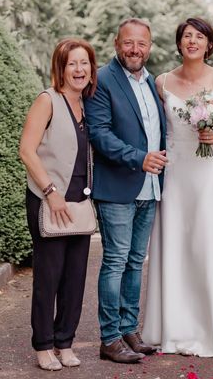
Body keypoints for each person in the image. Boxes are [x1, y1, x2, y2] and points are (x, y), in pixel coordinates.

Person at [142, 17, 213, 356]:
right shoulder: (161, 81)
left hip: (207, 175)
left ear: (209, 44)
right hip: (174, 175)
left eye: (200, 36)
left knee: (208, 245)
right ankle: (174, 327)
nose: (193, 41)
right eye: (187, 36)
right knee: (175, 246)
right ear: (179, 43)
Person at [84, 18, 167, 364]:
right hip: (118, 185)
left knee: (135, 261)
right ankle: (110, 337)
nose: (136, 50)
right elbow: (100, 134)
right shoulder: (102, 80)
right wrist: (139, 158)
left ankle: (130, 329)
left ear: (150, 46)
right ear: (117, 43)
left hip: (149, 186)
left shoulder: (150, 81)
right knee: (116, 261)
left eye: (142, 44)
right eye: (129, 43)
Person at [19, 38, 98, 371]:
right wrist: (50, 191)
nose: (79, 70)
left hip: (79, 203)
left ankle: (65, 341)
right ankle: (44, 345)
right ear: (60, 68)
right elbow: (26, 150)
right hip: (48, 201)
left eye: (84, 63)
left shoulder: (88, 105)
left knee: (75, 277)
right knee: (49, 277)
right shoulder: (47, 100)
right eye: (72, 64)